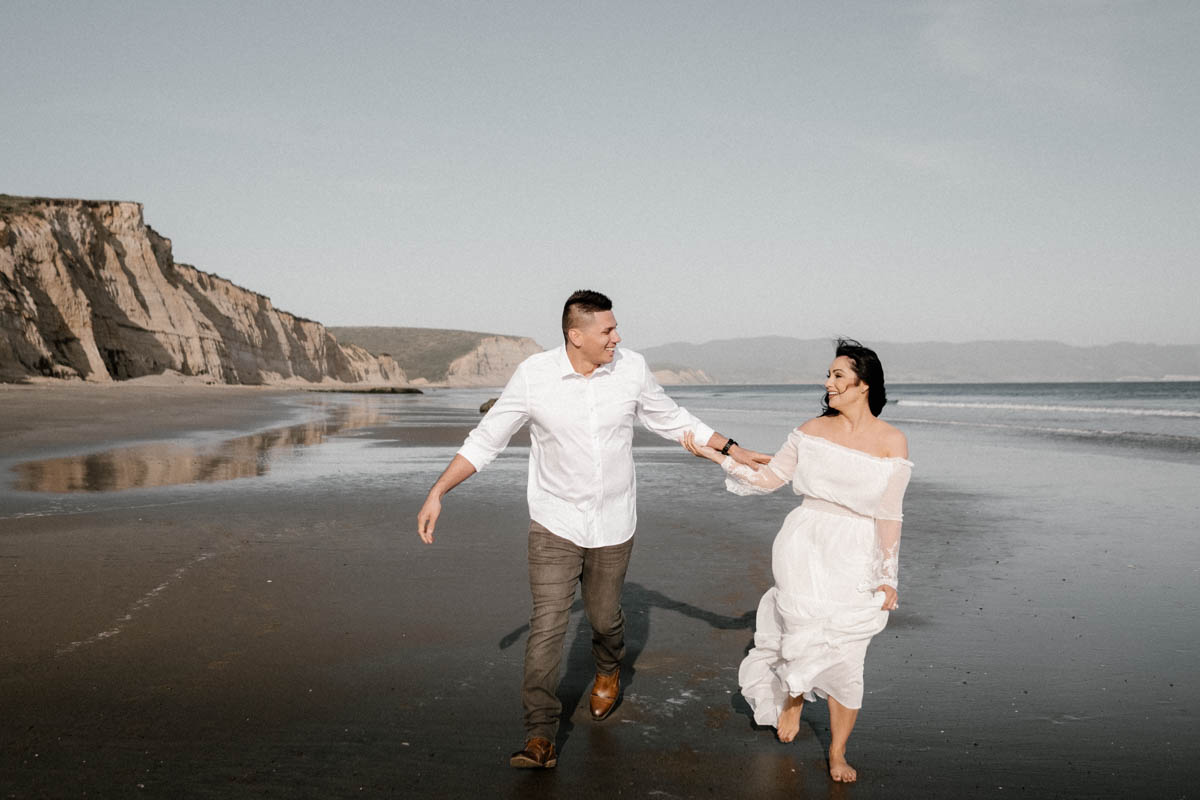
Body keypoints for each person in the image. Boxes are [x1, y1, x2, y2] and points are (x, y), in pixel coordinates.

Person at [416, 290, 768, 769]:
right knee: (547, 625)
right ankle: (539, 735)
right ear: (575, 335)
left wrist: (731, 449)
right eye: (607, 330)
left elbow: (672, 419)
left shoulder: (631, 368)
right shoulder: (534, 376)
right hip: (554, 520)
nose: (617, 337)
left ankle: (608, 670)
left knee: (604, 619)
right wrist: (439, 491)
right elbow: (487, 440)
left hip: (614, 521)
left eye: (616, 328)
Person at [681, 338, 911, 783]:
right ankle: (794, 698)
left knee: (848, 649)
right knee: (802, 626)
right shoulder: (810, 430)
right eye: (828, 375)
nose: (828, 382)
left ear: (864, 385)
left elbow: (889, 514)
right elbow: (768, 479)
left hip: (856, 547)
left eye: (838, 375)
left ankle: (838, 751)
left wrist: (888, 575)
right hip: (804, 539)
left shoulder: (892, 442)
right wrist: (715, 453)